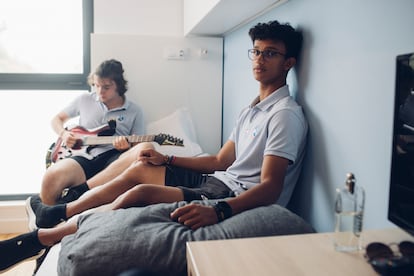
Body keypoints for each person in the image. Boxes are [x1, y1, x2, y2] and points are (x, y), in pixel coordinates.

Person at [0, 20, 307, 273]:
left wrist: (221, 211)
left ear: (288, 63)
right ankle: (61, 211)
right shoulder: (251, 109)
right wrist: (167, 157)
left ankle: (47, 236)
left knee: (140, 193)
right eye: (256, 52)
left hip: (230, 194)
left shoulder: (284, 115)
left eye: (270, 54)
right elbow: (220, 159)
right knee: (143, 166)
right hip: (219, 180)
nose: (259, 60)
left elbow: (270, 187)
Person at [38, 59, 145, 205]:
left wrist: (127, 148)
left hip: (114, 160)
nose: (100, 92)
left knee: (142, 153)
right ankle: (52, 218)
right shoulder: (84, 99)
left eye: (106, 87)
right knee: (51, 177)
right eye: (96, 85)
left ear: (119, 85)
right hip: (82, 156)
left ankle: (80, 193)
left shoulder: (135, 111)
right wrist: (64, 134)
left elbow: (139, 146)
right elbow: (56, 119)